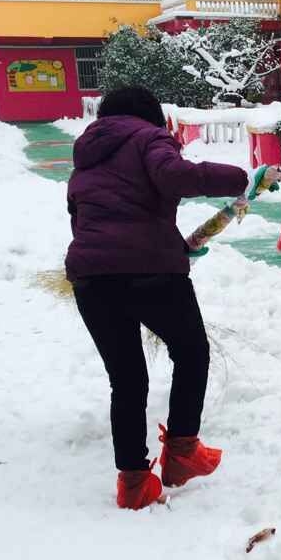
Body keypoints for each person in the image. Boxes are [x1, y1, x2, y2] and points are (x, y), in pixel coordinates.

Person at [66, 86, 251, 510]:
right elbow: (175, 176)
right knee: (191, 352)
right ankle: (183, 452)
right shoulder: (148, 137)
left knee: (126, 379)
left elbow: (84, 217)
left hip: (91, 278)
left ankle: (134, 483)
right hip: (150, 272)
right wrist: (236, 178)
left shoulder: (86, 157)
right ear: (150, 115)